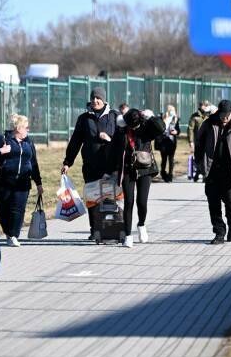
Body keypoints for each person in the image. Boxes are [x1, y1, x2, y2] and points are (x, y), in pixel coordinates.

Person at [62, 87, 118, 239]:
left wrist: (109, 139)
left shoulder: (114, 116)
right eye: (93, 98)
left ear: (104, 99)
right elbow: (75, 141)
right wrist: (68, 161)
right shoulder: (84, 118)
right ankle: (95, 230)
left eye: (98, 98)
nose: (95, 100)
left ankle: (108, 228)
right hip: (90, 165)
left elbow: (122, 139)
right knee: (93, 198)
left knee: (108, 198)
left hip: (110, 165)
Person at [194, 99, 231, 244]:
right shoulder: (208, 124)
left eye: (227, 115)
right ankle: (219, 232)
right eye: (222, 114)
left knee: (230, 202)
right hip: (212, 171)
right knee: (213, 203)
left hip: (230, 172)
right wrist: (200, 165)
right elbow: (199, 146)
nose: (225, 118)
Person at [0, 114, 43, 246]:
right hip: (2, 183)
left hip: (22, 183)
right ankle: (8, 233)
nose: (28, 130)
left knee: (18, 210)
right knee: (4, 209)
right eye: (26, 127)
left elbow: (33, 163)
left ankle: (13, 235)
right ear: (18, 128)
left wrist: (38, 183)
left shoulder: (29, 142)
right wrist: (0, 151)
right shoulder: (2, 139)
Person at [110, 108, 165, 247]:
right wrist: (113, 170)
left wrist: (151, 117)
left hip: (145, 169)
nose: (133, 127)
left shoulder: (147, 127)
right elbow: (114, 150)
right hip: (128, 169)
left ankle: (141, 225)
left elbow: (161, 128)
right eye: (130, 125)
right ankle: (127, 235)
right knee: (128, 202)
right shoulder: (122, 130)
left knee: (142, 201)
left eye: (135, 125)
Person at [187, 100, 211, 182]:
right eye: (203, 105)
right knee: (198, 158)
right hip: (198, 141)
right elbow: (190, 129)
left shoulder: (210, 115)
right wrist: (191, 141)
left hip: (208, 141)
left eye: (206, 105)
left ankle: (205, 175)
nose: (205, 106)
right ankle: (197, 172)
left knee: (206, 158)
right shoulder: (195, 116)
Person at [158, 104, 180, 183]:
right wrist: (165, 119)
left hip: (171, 141)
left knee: (171, 159)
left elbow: (178, 130)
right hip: (163, 141)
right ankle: (163, 173)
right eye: (170, 110)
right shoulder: (162, 118)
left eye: (173, 110)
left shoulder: (175, 119)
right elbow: (160, 129)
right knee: (163, 159)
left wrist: (176, 132)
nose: (172, 112)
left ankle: (170, 176)